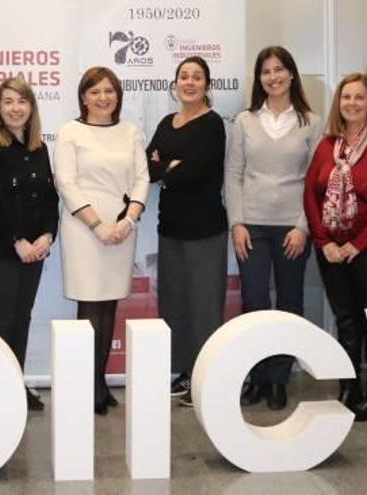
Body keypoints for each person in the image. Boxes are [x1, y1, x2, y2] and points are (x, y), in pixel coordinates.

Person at [224, 46, 322, 410]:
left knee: (289, 302)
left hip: (292, 228)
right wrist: (237, 222)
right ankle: (259, 376)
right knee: (254, 302)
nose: (273, 77)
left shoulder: (311, 121)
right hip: (251, 226)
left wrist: (303, 227)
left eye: (279, 70)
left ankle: (280, 378)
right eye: (266, 71)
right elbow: (232, 176)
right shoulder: (245, 121)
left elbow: (315, 181)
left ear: (291, 74)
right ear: (259, 78)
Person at [304, 73, 367, 421]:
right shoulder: (325, 147)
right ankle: (349, 386)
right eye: (346, 97)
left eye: (359, 97)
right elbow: (310, 196)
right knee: (346, 319)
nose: (352, 103)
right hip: (331, 247)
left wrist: (357, 245)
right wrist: (325, 241)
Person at [54, 66, 149, 415]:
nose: (103, 97)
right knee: (89, 304)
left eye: (109, 91)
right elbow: (66, 182)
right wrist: (98, 226)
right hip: (84, 228)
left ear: (118, 95)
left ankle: (100, 381)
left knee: (110, 304)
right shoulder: (69, 131)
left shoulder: (130, 131)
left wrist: (128, 219)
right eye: (95, 92)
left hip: (122, 227)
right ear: (83, 96)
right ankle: (88, 384)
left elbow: (142, 178)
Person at [147, 56, 227, 408]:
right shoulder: (167, 122)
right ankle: (184, 372)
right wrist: (168, 166)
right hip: (171, 228)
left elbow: (194, 172)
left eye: (197, 77)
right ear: (176, 83)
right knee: (175, 304)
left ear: (207, 85)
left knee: (204, 305)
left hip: (205, 230)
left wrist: (169, 168)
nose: (190, 82)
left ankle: (207, 375)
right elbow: (147, 167)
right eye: (184, 76)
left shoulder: (212, 125)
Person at [0, 77, 58, 412]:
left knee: (23, 317)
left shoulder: (40, 149)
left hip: (35, 248)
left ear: (31, 107)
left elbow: (50, 198)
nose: (15, 108)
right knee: (4, 318)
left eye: (21, 101)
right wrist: (17, 240)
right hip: (0, 248)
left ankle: (16, 384)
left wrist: (47, 235)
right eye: (7, 101)